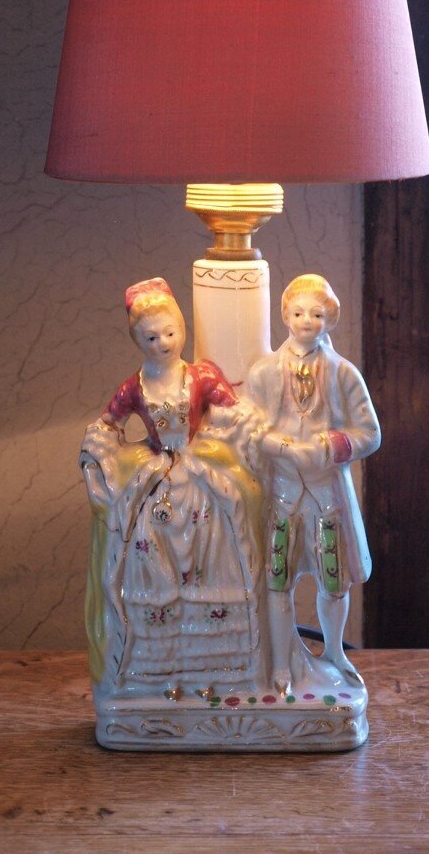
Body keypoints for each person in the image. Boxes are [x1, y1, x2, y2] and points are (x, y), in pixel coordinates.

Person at [80, 279, 262, 699]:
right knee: (148, 560)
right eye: (151, 337)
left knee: (210, 561)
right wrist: (96, 450)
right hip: (156, 483)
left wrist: (241, 425)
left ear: (182, 329)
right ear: (137, 340)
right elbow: (108, 423)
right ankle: (159, 672)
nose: (162, 343)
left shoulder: (200, 375)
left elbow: (233, 411)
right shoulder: (134, 386)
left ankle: (216, 667)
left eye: (169, 332)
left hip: (199, 481)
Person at [243, 274, 381, 695]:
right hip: (282, 494)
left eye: (317, 314)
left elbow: (369, 433)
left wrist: (328, 446)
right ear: (285, 315)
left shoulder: (343, 374)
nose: (307, 321)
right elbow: (247, 430)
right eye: (299, 312)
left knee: (333, 581)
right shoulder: (264, 372)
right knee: (277, 580)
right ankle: (281, 663)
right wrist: (283, 446)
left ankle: (334, 652)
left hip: (326, 496)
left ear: (329, 320)